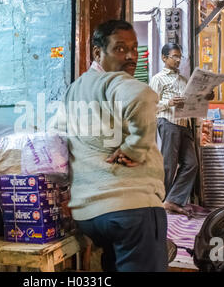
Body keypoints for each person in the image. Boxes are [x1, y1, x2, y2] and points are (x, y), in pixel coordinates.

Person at [49, 20, 167, 272]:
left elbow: (55, 138)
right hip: (131, 208)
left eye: (135, 49)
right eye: (120, 49)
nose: (131, 57)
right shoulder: (113, 82)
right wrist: (135, 148)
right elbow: (144, 97)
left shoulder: (73, 90)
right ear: (97, 53)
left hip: (90, 215)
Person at [149, 43, 214, 217]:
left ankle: (172, 201)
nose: (178, 60)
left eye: (180, 57)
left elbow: (193, 101)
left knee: (191, 164)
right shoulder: (158, 79)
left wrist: (206, 95)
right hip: (168, 122)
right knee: (168, 165)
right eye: (174, 56)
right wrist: (169, 103)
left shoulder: (185, 80)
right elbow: (149, 106)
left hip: (185, 124)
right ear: (164, 58)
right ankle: (158, 204)